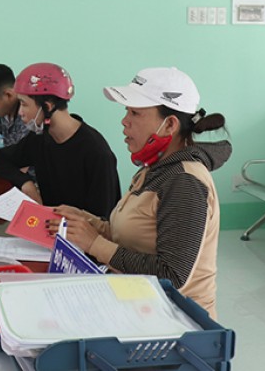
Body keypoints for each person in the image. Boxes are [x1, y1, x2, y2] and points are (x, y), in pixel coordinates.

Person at [49, 67, 230, 319]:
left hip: (174, 319)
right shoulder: (154, 168)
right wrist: (85, 220)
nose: (125, 121)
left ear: (169, 125)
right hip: (139, 303)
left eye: (135, 113)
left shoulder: (184, 181)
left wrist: (94, 244)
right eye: (127, 111)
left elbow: (172, 275)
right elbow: (130, 236)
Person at [0, 62, 121, 219]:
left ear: (47, 106)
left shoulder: (97, 153)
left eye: (24, 104)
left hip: (78, 232)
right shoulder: (40, 138)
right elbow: (0, 159)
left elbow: (104, 220)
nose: (20, 113)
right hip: (48, 224)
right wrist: (26, 184)